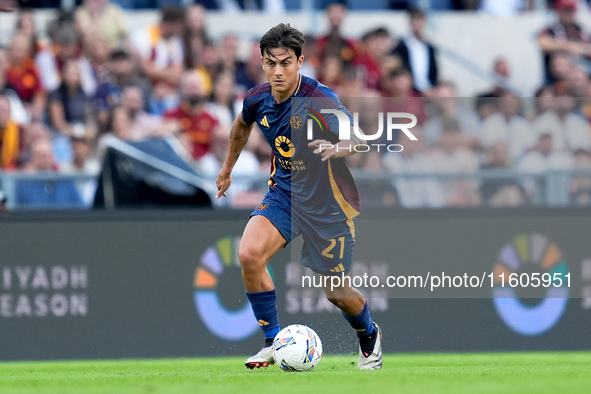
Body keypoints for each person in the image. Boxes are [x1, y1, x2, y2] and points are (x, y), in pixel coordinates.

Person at [215, 23, 382, 370]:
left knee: (335, 292)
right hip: (285, 195)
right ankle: (273, 342)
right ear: (262, 62)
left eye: (286, 63)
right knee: (248, 254)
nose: (278, 71)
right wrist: (227, 168)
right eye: (271, 63)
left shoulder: (320, 98)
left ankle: (369, 335)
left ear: (300, 61)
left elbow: (358, 138)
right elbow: (242, 125)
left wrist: (337, 148)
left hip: (328, 205)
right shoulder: (257, 97)